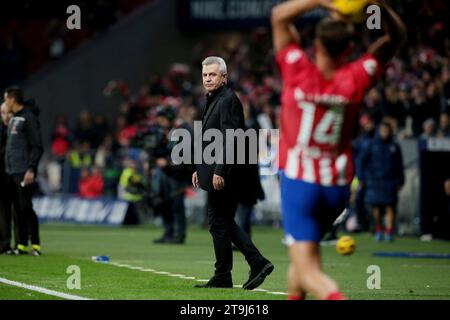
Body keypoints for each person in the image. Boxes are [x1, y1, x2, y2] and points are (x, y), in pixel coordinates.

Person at [271, 0, 406, 300]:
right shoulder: (356, 78)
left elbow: (279, 16)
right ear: (348, 49)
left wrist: (321, 1)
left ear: (316, 44)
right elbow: (396, 38)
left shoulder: (297, 69)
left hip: (300, 182)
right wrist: (377, 6)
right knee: (304, 258)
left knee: (309, 271)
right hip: (336, 187)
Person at [192, 56, 273, 289]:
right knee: (223, 222)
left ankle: (239, 268)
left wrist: (219, 171)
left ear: (224, 77)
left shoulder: (227, 99)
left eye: (213, 75)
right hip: (217, 171)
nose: (208, 79)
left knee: (219, 223)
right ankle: (241, 268)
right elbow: (209, 138)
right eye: (205, 75)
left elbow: (232, 138)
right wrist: (200, 169)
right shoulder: (215, 98)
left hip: (226, 174)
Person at [4, 87, 44, 256]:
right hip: (12, 169)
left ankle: (36, 244)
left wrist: (31, 168)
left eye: (6, 99)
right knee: (17, 208)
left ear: (13, 99)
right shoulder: (14, 118)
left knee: (26, 206)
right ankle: (21, 244)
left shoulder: (29, 118)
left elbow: (37, 145)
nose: (5, 103)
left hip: (24, 169)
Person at [358, 121, 404, 242]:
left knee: (390, 206)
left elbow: (399, 165)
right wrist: (361, 177)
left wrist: (401, 180)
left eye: (387, 130)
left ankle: (389, 232)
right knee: (377, 207)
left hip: (390, 181)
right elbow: (361, 161)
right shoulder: (371, 145)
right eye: (382, 130)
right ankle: (378, 229)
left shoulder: (394, 146)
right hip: (375, 181)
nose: (385, 133)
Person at [0, 102, 14, 253]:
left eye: (7, 112)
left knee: (15, 210)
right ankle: (3, 244)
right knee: (3, 211)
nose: (5, 116)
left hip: (12, 175)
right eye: (3, 113)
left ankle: (14, 245)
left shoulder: (17, 131)